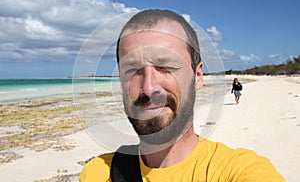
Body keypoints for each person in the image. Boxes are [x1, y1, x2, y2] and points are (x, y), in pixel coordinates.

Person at [80, 9, 284, 181]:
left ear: (197, 76)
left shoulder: (238, 170)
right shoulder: (99, 172)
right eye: (132, 70)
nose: (149, 88)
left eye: (165, 66)